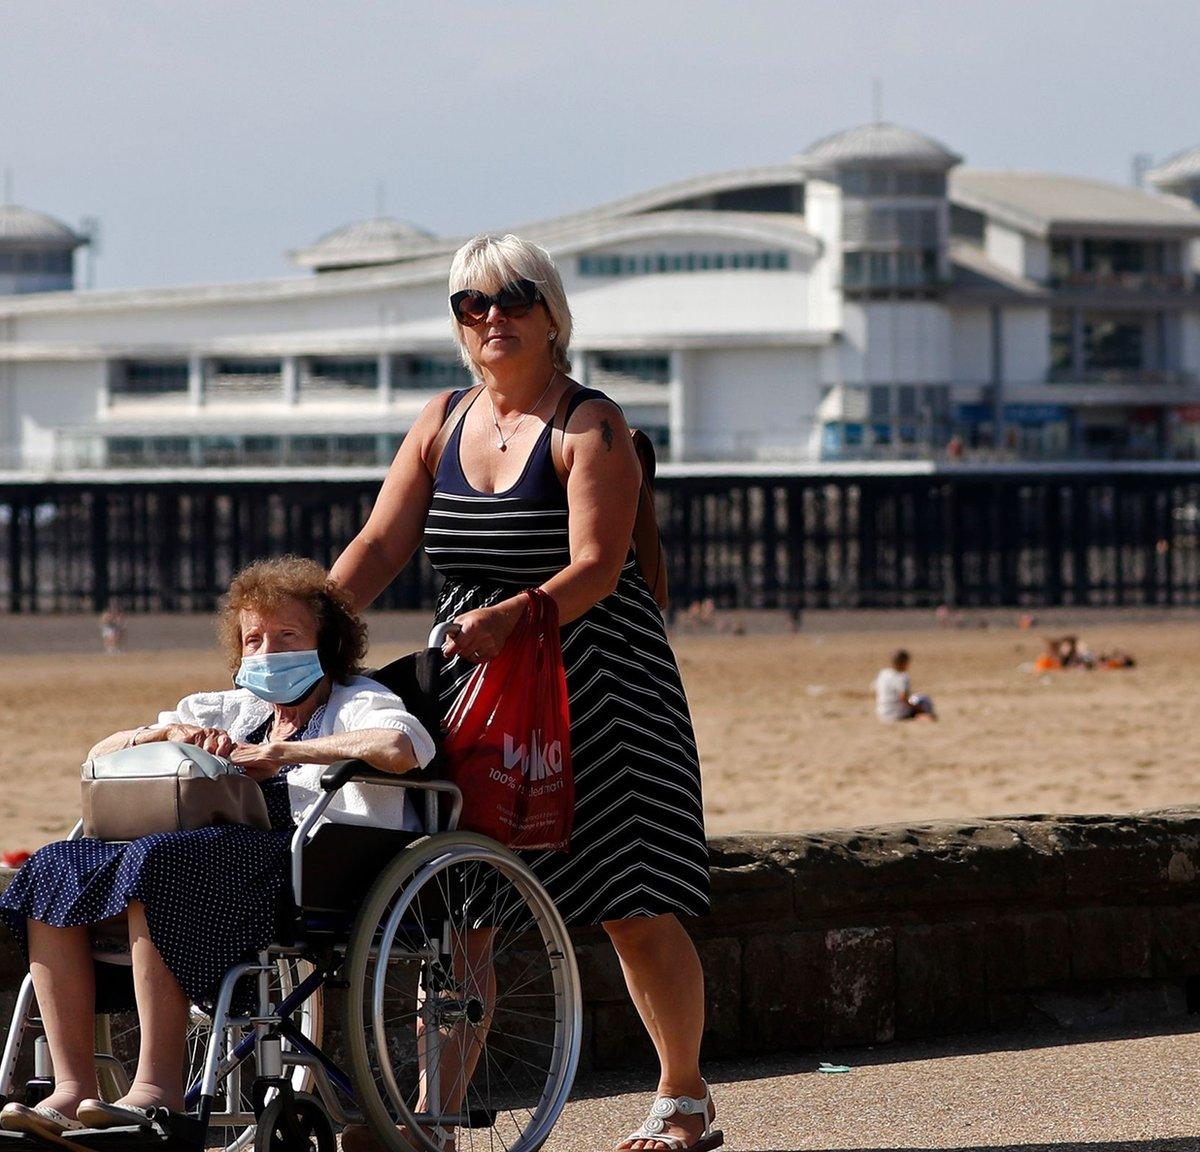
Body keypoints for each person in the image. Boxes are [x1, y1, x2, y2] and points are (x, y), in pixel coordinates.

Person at [328, 234, 718, 1152]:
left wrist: (514, 615)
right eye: (472, 305)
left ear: (551, 316)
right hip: (478, 693)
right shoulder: (440, 421)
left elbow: (597, 566)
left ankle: (684, 1098)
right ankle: (431, 1116)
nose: (491, 319)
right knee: (463, 905)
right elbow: (382, 546)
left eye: (511, 300)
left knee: (633, 901)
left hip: (602, 689)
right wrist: (308, 630)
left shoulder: (593, 425)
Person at [0, 558, 430, 1139]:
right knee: (52, 868)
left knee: (160, 865)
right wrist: (165, 734)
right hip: (208, 853)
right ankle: (72, 1089)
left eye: (287, 636)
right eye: (255, 639)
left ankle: (157, 1090)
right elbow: (100, 753)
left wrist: (285, 755)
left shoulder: (357, 699)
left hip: (304, 859)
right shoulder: (230, 708)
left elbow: (401, 747)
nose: (269, 652)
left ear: (326, 644)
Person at [875, 650, 937, 721]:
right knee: (923, 700)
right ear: (904, 663)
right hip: (896, 714)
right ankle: (924, 717)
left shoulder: (883, 673)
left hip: (882, 713)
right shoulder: (902, 677)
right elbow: (903, 698)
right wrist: (918, 709)